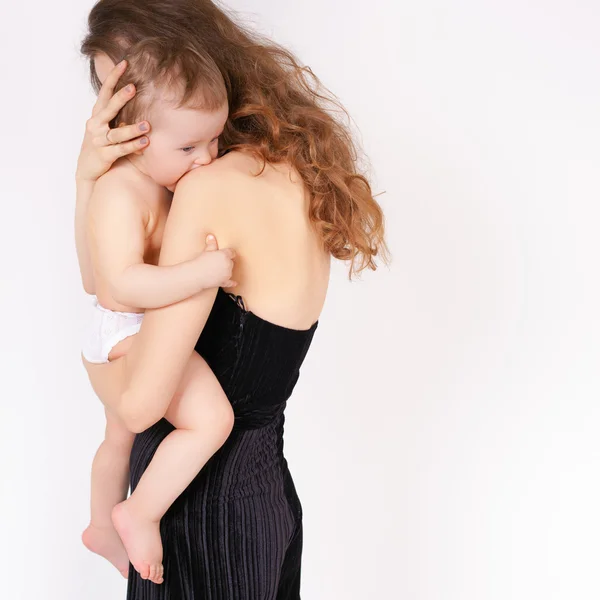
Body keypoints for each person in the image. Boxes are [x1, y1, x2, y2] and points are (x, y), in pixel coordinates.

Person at [79, 1, 388, 597]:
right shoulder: (292, 168)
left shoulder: (204, 190)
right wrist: (88, 179)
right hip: (267, 503)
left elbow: (142, 405)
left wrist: (98, 367)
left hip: (197, 519)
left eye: (119, 97)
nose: (110, 121)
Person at [77, 40, 241, 584]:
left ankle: (100, 525)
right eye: (191, 146)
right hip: (122, 331)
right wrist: (203, 273)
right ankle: (138, 512)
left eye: (214, 140)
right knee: (212, 420)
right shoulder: (119, 192)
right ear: (137, 137)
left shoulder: (162, 181)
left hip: (121, 330)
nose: (207, 158)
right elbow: (120, 280)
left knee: (117, 438)